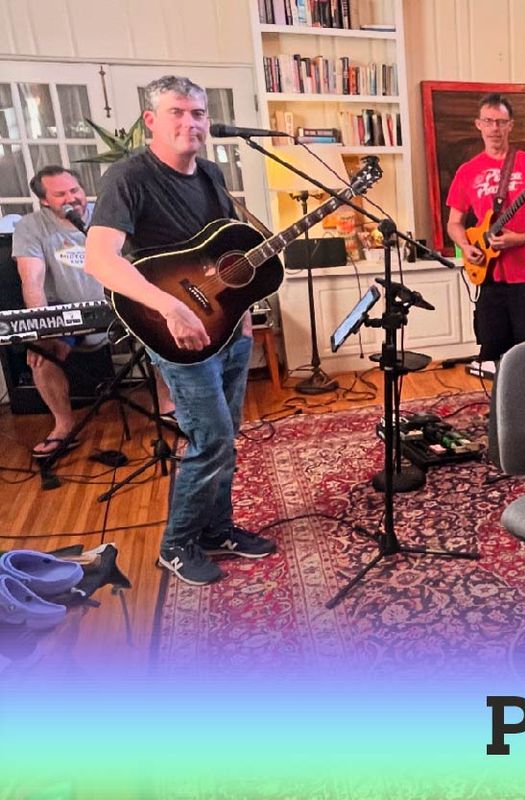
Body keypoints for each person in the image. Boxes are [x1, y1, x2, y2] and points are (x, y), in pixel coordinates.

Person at [84, 75, 275, 586]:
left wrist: (243, 315)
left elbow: (225, 254)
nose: (191, 123)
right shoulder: (129, 177)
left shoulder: (211, 173)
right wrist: (170, 307)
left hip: (226, 327)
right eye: (177, 112)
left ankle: (217, 530)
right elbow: (100, 259)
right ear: (151, 120)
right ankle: (176, 546)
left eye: (198, 113)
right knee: (210, 438)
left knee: (226, 436)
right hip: (174, 331)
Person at [445, 93, 525, 370]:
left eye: (500, 122)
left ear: (510, 126)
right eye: (488, 121)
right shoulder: (467, 171)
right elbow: (454, 223)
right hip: (489, 278)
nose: (494, 128)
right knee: (493, 357)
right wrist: (466, 247)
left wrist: (520, 238)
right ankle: (499, 400)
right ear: (479, 124)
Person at [12, 166, 107, 457]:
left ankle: (167, 407)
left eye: (75, 190)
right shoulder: (31, 226)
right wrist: (43, 330)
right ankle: (64, 426)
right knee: (40, 356)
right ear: (44, 200)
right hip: (66, 313)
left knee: (162, 331)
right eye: (60, 194)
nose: (72, 198)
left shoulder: (107, 216)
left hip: (115, 306)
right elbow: (32, 282)